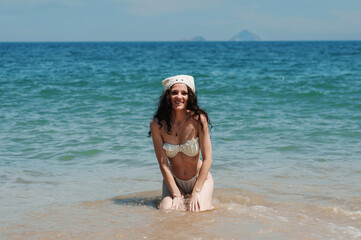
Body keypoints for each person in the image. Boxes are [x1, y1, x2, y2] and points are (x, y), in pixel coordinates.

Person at [149, 75, 214, 212]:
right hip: (174, 181)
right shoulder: (157, 124)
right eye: (174, 93)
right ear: (168, 96)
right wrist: (176, 194)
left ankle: (206, 201)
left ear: (190, 97)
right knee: (167, 211)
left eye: (184, 93)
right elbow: (163, 164)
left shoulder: (198, 120)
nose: (179, 97)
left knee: (197, 211)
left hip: (199, 179)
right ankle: (167, 200)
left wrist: (196, 192)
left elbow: (208, 159)